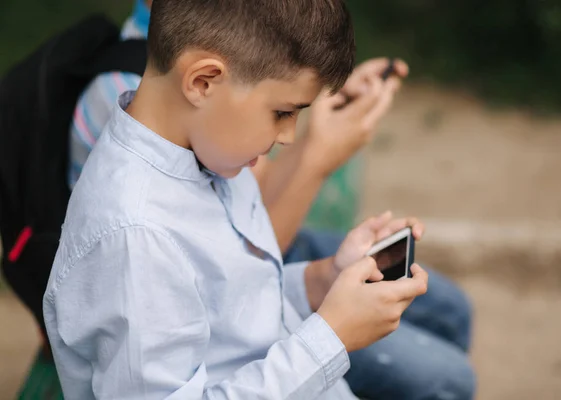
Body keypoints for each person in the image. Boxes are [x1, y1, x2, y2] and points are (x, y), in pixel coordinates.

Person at [63, 1, 475, 399]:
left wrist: (324, 279)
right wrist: (330, 337)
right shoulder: (136, 238)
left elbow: (230, 310)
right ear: (203, 81)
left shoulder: (212, 149)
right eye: (282, 112)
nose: (288, 136)